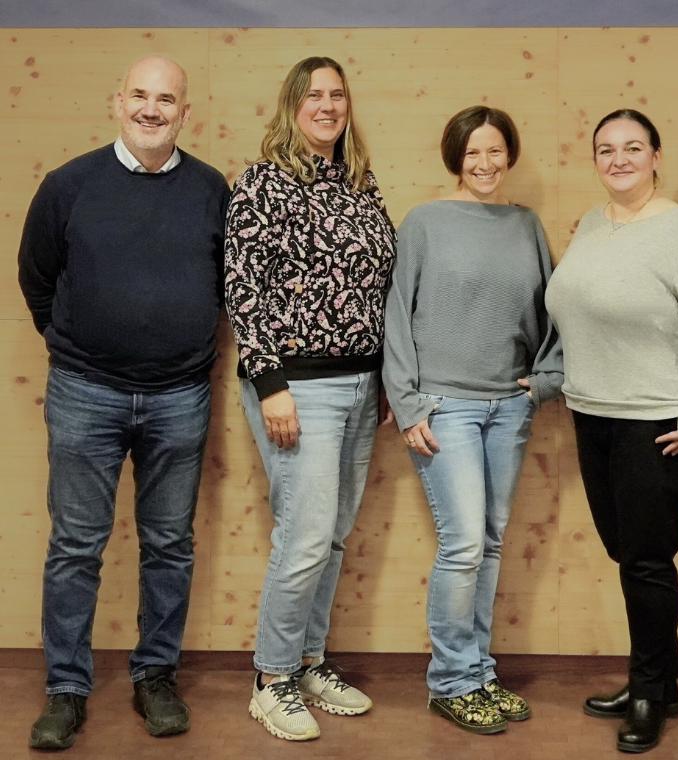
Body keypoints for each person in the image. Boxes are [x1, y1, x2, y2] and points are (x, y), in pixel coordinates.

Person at [17, 55, 229, 749]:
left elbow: (229, 282)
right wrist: (73, 340)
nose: (151, 108)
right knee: (76, 545)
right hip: (85, 393)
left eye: (166, 98)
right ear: (117, 103)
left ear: (184, 112)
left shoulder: (210, 190)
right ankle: (65, 689)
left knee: (169, 545)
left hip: (180, 396)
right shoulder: (68, 185)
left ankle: (154, 677)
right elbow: (37, 275)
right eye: (140, 95)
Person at [546, 108, 678, 754]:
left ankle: (649, 692)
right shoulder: (593, 225)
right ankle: (663, 679)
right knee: (628, 554)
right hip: (592, 413)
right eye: (605, 149)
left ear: (657, 155)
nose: (618, 158)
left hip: (656, 421)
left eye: (632, 147)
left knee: (648, 561)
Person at [224, 56, 397, 742]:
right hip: (295, 386)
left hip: (360, 385)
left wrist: (386, 378)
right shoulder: (261, 184)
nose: (327, 105)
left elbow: (378, 287)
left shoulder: (360, 182)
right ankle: (270, 680)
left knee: (328, 538)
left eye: (337, 95)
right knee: (301, 539)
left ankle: (307, 660)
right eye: (314, 95)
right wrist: (270, 384)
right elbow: (242, 287)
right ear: (292, 105)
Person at [382, 105, 562, 735]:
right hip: (444, 409)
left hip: (508, 408)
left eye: (495, 152)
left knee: (487, 542)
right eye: (472, 154)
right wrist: (407, 404)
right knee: (461, 545)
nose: (485, 164)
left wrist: (545, 381)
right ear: (454, 157)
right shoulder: (425, 222)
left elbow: (555, 308)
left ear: (509, 155)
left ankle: (479, 672)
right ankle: (451, 680)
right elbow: (396, 316)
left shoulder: (526, 225)